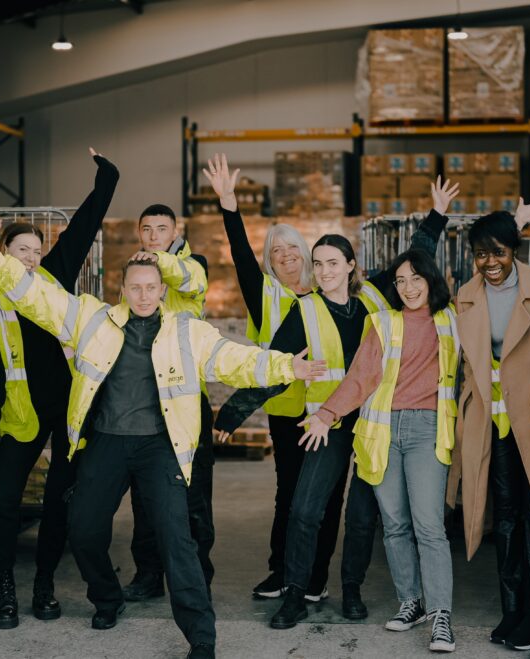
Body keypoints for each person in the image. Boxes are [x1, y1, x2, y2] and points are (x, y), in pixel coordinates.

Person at [0, 232, 326, 659]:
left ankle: (201, 635)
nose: (144, 295)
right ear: (122, 290)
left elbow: (237, 359)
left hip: (160, 446)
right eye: (135, 287)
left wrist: (286, 366)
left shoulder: (187, 331)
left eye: (151, 287)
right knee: (83, 528)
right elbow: (40, 299)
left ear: (162, 290)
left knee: (177, 538)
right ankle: (107, 597)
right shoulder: (93, 320)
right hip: (108, 442)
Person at [0, 149, 118, 629]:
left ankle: (45, 584)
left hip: (67, 410)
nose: (32, 259)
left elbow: (85, 224)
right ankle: (5, 591)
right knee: (3, 504)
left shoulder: (54, 275)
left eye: (36, 251)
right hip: (21, 414)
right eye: (22, 252)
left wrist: (106, 174)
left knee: (59, 501)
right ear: (3, 256)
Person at [299, 249, 461, 652]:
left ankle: (441, 616)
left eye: (416, 279)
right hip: (383, 430)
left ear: (431, 280)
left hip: (428, 429)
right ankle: (411, 602)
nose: (408, 287)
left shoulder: (453, 320)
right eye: (401, 281)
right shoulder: (383, 322)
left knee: (429, 527)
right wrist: (327, 414)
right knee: (394, 525)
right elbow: (361, 378)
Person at [203, 153, 340, 602]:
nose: (285, 256)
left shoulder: (329, 292)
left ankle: (315, 578)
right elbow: (242, 257)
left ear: (306, 253)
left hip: (329, 412)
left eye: (291, 248)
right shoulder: (265, 295)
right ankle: (281, 571)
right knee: (289, 496)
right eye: (275, 252)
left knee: (325, 500)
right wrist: (229, 206)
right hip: (286, 411)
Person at [447, 209, 530, 651]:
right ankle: (511, 608)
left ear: (514, 250)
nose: (489, 262)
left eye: (498, 252)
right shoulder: (467, 294)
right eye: (480, 254)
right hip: (490, 422)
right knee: (506, 517)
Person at [124, 202, 216, 602]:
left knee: (193, 498)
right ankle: (148, 575)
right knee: (145, 497)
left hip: (186, 402)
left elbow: (186, 277)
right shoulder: (137, 273)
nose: (154, 235)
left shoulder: (192, 264)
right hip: (144, 401)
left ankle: (197, 579)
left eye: (162, 229)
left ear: (175, 232)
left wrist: (157, 259)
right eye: (147, 229)